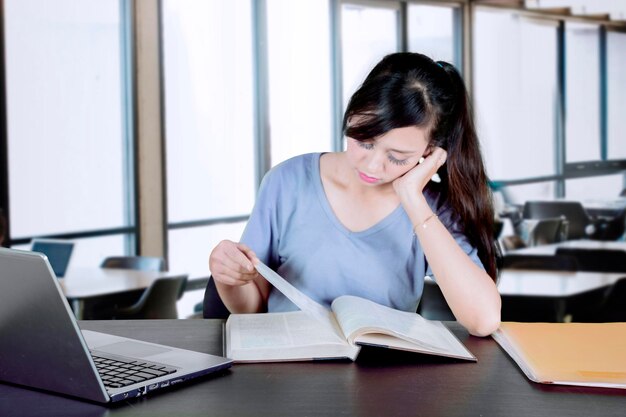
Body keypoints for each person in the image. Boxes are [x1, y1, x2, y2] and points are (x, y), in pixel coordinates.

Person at [208, 52, 501, 336]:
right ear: (351, 114)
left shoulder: (433, 207)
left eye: (397, 157)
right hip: (290, 371)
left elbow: (483, 320)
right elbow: (251, 308)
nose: (373, 165)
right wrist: (228, 277)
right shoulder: (287, 181)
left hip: (383, 375)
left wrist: (413, 198)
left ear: (430, 150)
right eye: (364, 141)